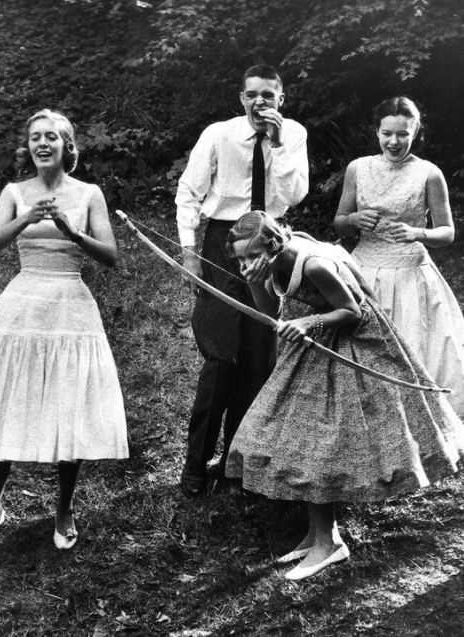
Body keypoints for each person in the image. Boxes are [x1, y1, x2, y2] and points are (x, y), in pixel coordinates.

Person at [225, 211, 464, 581]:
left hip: (358, 343)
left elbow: (354, 312)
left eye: (250, 257)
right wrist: (256, 280)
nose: (245, 265)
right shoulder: (272, 262)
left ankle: (330, 544)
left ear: (274, 246)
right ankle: (317, 535)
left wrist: (309, 321)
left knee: (322, 443)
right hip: (322, 341)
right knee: (300, 437)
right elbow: (269, 311)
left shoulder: (315, 264)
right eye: (239, 260)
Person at [0, 109, 128, 553]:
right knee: (4, 399)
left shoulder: (89, 193)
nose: (42, 144)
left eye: (52, 137)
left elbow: (110, 254)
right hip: (22, 303)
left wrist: (72, 231)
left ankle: (64, 507)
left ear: (66, 146)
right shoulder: (15, 191)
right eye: (35, 137)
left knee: (67, 404)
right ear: (28, 146)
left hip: (69, 304)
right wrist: (27, 216)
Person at [175, 64, 308, 496]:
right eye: (252, 95)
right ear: (241, 97)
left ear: (281, 99)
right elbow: (189, 193)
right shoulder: (218, 134)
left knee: (258, 355)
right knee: (219, 356)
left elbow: (292, 197)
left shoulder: (294, 136)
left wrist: (279, 143)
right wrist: (190, 254)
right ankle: (195, 465)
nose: (260, 103)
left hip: (270, 242)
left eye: (268, 95)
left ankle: (237, 461)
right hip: (221, 242)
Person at [334, 96, 464, 418]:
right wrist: (352, 221)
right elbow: (339, 220)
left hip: (411, 274)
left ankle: (421, 421)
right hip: (363, 269)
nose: (394, 141)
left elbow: (447, 231)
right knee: (362, 350)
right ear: (376, 131)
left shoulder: (428, 173)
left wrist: (418, 233)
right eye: (387, 133)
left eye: (403, 134)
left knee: (414, 349)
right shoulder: (358, 168)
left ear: (415, 131)